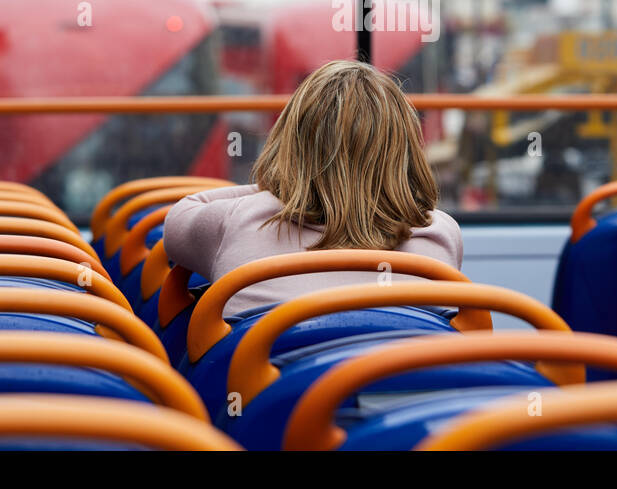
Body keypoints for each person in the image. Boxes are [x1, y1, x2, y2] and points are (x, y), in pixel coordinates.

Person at [161, 59, 463, 317]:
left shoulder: (241, 219)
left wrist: (279, 186)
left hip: (270, 385)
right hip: (401, 384)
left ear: (288, 144)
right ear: (406, 152)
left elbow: (180, 217)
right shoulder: (439, 234)